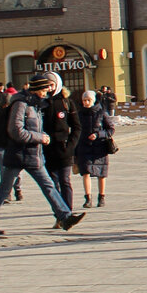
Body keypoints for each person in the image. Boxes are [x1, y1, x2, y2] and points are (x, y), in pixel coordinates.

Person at [0, 72, 85, 236]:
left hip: (33, 155)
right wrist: (39, 138)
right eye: (44, 89)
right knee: (4, 189)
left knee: (48, 186)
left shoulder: (35, 104)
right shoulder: (21, 104)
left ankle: (65, 217)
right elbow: (16, 131)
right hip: (18, 155)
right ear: (36, 89)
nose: (47, 92)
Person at [42, 73, 81, 215]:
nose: (49, 88)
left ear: (57, 84)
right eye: (46, 85)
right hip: (47, 149)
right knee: (52, 183)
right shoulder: (42, 103)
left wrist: (71, 145)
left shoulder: (66, 102)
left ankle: (68, 212)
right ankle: (59, 213)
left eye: (51, 85)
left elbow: (77, 126)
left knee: (65, 181)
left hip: (64, 148)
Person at [76, 90, 115, 207]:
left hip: (100, 147)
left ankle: (101, 197)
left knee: (101, 173)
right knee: (85, 172)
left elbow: (111, 129)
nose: (86, 103)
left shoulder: (101, 113)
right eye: (84, 100)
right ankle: (88, 198)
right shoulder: (79, 114)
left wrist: (98, 135)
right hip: (84, 146)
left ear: (93, 101)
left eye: (88, 100)